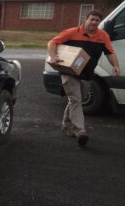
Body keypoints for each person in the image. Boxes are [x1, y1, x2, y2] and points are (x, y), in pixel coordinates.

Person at [47, 9, 120, 147]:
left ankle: (66, 125)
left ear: (99, 22)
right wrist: (53, 56)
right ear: (86, 20)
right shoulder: (72, 32)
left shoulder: (102, 36)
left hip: (86, 74)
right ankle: (80, 131)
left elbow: (110, 52)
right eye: (91, 19)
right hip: (69, 72)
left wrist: (115, 65)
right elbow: (52, 42)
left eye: (97, 20)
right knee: (76, 99)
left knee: (75, 99)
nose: (94, 22)